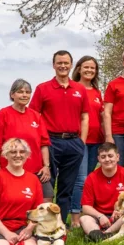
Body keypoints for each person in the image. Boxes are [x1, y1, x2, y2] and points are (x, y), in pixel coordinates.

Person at [29, 50, 88, 224]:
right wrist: (40, 142)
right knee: (48, 186)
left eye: (66, 63)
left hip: (73, 143)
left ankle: (61, 224)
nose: (63, 66)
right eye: (59, 63)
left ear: (71, 65)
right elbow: (34, 117)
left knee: (67, 188)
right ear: (54, 65)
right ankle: (44, 223)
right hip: (51, 142)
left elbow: (85, 117)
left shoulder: (79, 89)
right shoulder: (43, 89)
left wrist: (81, 142)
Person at [0, 79, 53, 202]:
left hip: (35, 171)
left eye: (27, 92)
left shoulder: (36, 116)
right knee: (16, 200)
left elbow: (44, 144)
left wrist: (46, 166)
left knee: (47, 197)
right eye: (20, 92)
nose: (24, 95)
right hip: (10, 171)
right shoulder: (3, 114)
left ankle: (40, 222)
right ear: (12, 95)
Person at [79, 142, 124, 242]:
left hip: (120, 216)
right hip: (99, 216)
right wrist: (100, 216)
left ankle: (104, 234)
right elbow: (85, 207)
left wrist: (121, 211)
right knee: (84, 219)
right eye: (103, 157)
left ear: (117, 157)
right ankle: (97, 234)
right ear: (98, 159)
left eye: (110, 156)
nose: (107, 159)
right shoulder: (91, 178)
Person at [70, 55, 105, 228]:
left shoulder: (97, 92)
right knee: (81, 179)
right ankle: (75, 218)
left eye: (93, 68)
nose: (90, 70)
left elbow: (101, 116)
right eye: (86, 67)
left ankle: (85, 212)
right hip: (79, 141)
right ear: (78, 69)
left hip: (96, 141)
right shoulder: (73, 88)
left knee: (88, 179)